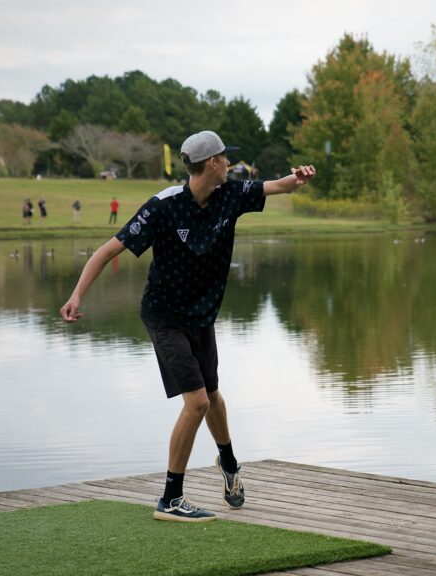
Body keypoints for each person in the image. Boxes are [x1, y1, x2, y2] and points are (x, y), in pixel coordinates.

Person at [60, 131, 316, 523]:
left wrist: (297, 179)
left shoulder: (230, 193)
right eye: (225, 159)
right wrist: (77, 294)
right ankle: (171, 498)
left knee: (212, 396)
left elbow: (278, 185)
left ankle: (228, 464)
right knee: (195, 402)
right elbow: (108, 249)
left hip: (201, 316)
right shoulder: (164, 207)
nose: (229, 164)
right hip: (164, 316)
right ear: (211, 163)